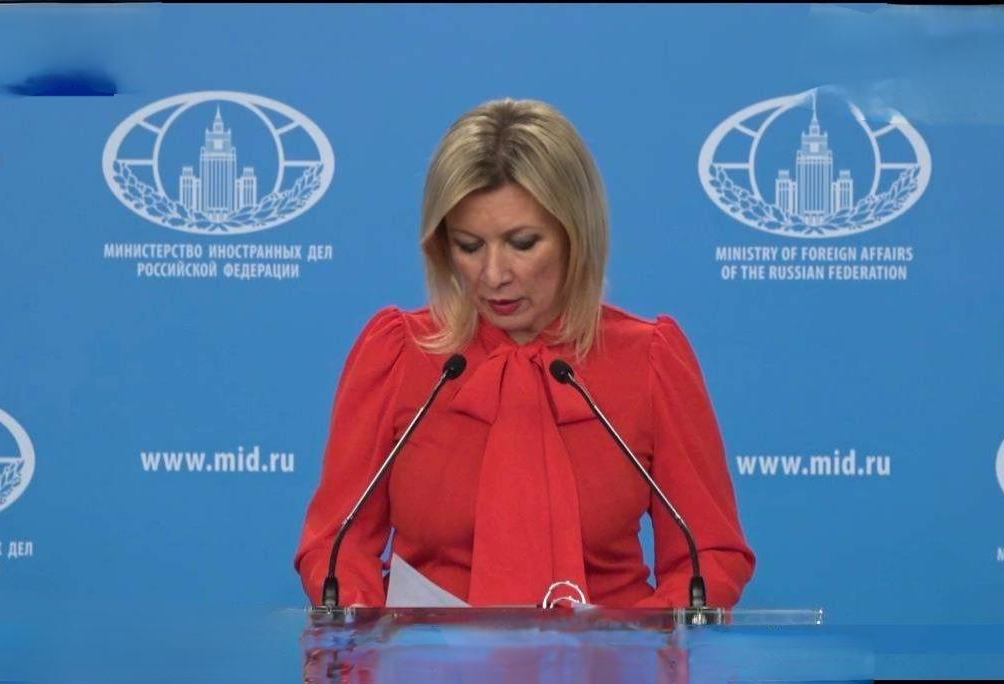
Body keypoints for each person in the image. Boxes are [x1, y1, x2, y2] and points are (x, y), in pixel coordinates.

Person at [294, 98, 755, 608]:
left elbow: (708, 557)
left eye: (523, 242)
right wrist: (362, 619)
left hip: (612, 651)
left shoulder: (650, 359)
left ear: (576, 235)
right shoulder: (399, 354)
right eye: (470, 246)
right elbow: (335, 547)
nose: (494, 275)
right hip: (426, 650)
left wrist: (632, 640)